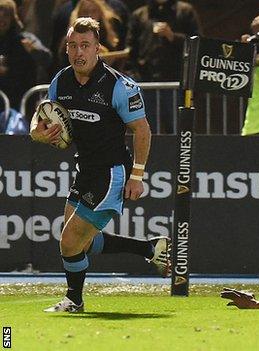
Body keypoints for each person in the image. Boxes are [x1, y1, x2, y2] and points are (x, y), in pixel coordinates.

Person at [29, 17, 169, 313]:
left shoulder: (119, 86)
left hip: (111, 174)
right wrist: (38, 134)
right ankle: (150, 248)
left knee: (69, 242)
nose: (79, 52)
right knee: (82, 241)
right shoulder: (60, 81)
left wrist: (137, 176)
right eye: (73, 46)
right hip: (85, 170)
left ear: (98, 49)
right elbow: (41, 118)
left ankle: (74, 300)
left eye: (85, 46)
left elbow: (142, 130)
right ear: (66, 49)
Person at [125, 0, 200, 133]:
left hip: (174, 82)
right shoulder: (140, 15)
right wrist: (133, 77)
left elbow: (197, 43)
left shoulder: (185, 11)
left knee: (177, 128)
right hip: (145, 82)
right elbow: (131, 50)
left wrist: (172, 36)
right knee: (145, 129)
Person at [0, 0, 51, 109]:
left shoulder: (25, 39)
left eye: (6, 16)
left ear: (13, 18)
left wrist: (33, 51)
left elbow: (47, 59)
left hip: (23, 101)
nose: (1, 20)